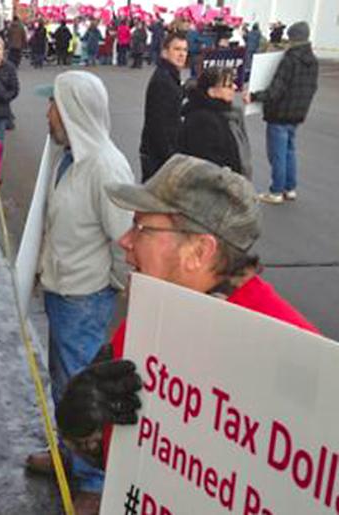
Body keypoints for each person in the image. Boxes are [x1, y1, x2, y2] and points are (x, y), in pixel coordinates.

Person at [56, 154, 319, 478]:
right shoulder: (149, 317)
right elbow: (125, 455)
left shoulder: (298, 352)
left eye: (141, 227)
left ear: (199, 252)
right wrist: (79, 420)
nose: (124, 241)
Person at [25, 70, 134, 515]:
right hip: (61, 290)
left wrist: (131, 295)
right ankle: (69, 454)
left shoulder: (105, 167)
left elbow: (125, 238)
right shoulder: (67, 156)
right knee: (62, 381)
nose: (48, 113)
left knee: (81, 386)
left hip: (85, 298)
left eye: (54, 105)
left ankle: (93, 476)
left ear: (73, 111)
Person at [244, 21, 318, 204]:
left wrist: (253, 96)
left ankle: (276, 191)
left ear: (293, 38)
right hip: (297, 114)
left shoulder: (289, 59)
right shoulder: (313, 61)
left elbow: (276, 90)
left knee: (277, 153)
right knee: (290, 151)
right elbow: (312, 87)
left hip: (280, 113)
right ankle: (290, 188)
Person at [180, 67, 252, 178]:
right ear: (212, 92)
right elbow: (208, 167)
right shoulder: (202, 121)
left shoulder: (228, 113)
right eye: (228, 86)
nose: (235, 87)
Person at [139, 31, 188, 182]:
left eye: (185, 50)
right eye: (177, 49)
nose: (182, 54)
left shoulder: (169, 74)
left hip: (159, 153)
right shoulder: (163, 80)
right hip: (159, 156)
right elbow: (159, 125)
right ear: (165, 52)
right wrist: (171, 158)